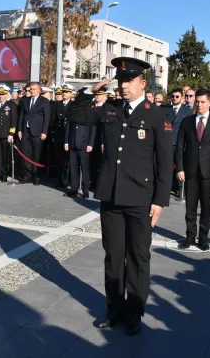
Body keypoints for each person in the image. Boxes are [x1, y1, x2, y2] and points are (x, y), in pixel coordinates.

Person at [67, 56, 173, 336]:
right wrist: (89, 91)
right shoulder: (110, 109)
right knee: (113, 256)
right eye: (120, 80)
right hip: (111, 196)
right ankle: (114, 309)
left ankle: (135, 312)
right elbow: (74, 115)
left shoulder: (156, 115)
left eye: (128, 81)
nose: (123, 86)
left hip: (140, 198)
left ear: (142, 83)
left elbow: (164, 160)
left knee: (138, 257)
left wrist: (160, 200)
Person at [176, 89, 210, 250]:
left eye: (203, 102)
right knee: (190, 207)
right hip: (190, 170)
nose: (199, 104)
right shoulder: (187, 121)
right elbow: (179, 147)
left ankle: (203, 239)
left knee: (206, 207)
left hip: (209, 171)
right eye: (197, 101)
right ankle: (190, 237)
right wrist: (180, 168)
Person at [18, 82, 51, 185]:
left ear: (39, 90)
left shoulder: (44, 101)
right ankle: (27, 174)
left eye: (34, 89)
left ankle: (36, 175)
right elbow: (21, 116)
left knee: (36, 155)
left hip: (37, 132)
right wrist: (19, 130)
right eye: (31, 89)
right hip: (25, 131)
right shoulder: (25, 100)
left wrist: (44, 131)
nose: (32, 91)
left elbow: (47, 118)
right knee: (26, 154)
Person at [64, 99, 96, 198]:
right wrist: (66, 141)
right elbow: (68, 129)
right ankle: (74, 188)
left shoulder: (90, 113)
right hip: (72, 143)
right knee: (73, 167)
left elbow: (93, 130)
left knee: (85, 168)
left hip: (84, 145)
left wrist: (90, 144)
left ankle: (85, 189)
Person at [165, 88, 192, 198]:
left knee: (180, 167)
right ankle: (167, 188)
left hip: (180, 142)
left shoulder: (187, 111)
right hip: (168, 142)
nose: (174, 98)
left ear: (182, 97)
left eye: (177, 96)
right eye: (173, 96)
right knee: (167, 166)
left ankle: (180, 189)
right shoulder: (165, 110)